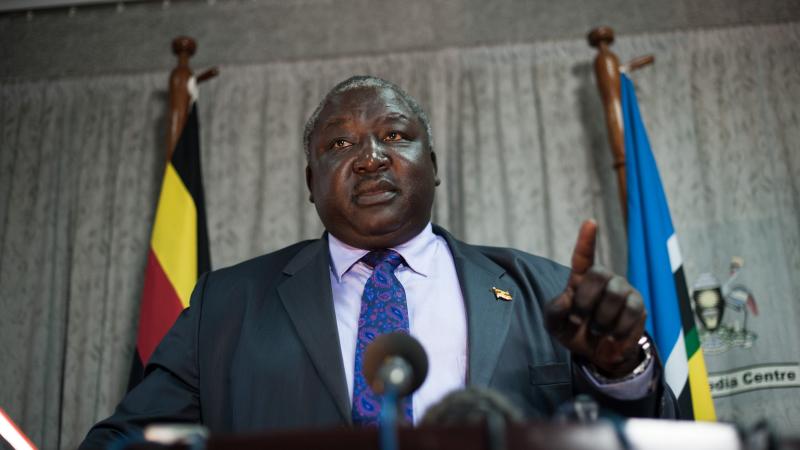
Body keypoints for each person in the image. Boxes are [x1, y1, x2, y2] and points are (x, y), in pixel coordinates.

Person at [80, 75, 676, 448]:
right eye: (340, 144)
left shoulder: (543, 290)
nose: (369, 158)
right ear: (311, 183)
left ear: (432, 166)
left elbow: (646, 437)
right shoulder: (226, 306)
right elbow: (129, 439)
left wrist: (619, 368)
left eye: (394, 135)